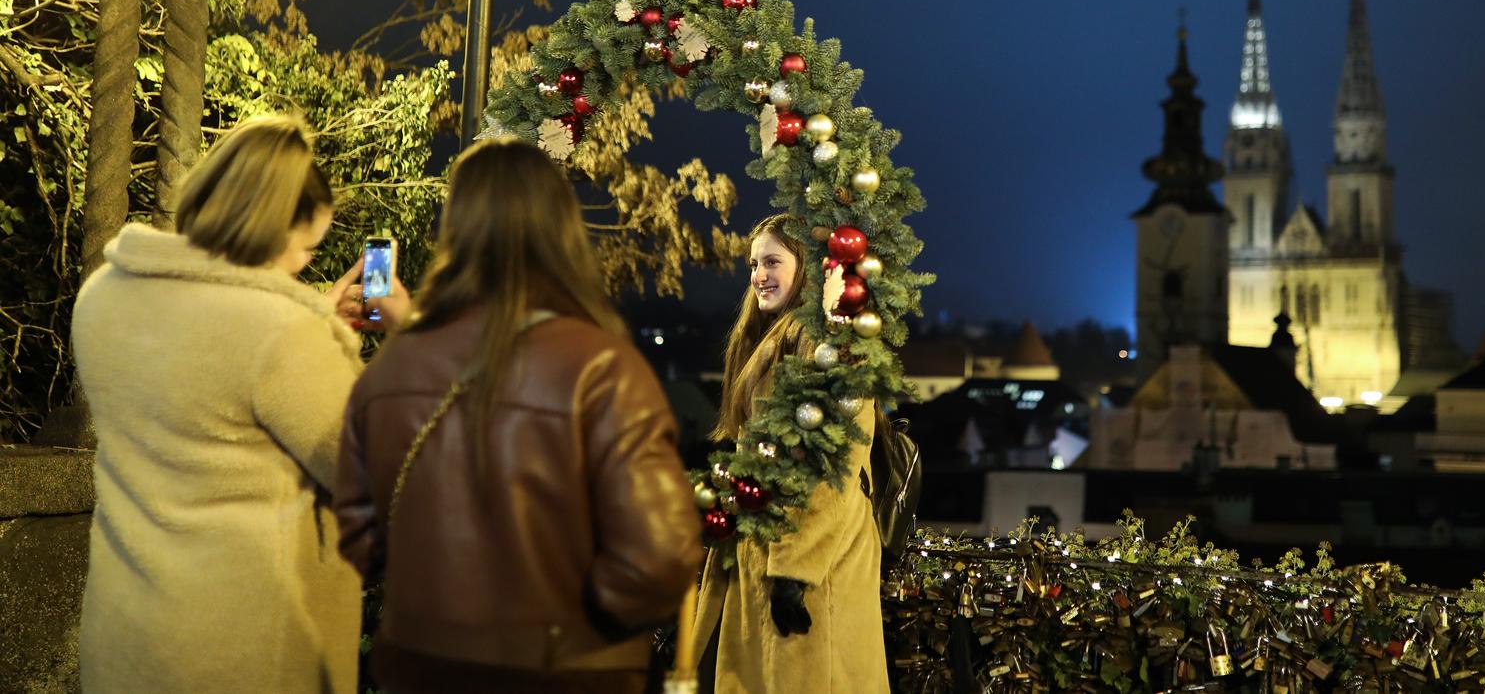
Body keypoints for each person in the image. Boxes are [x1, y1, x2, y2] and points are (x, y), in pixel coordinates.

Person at [335, 136, 701, 694]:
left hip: (422, 665)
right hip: (568, 674)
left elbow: (359, 533)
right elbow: (660, 555)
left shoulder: (392, 367)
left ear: (456, 229)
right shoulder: (602, 368)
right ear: (561, 231)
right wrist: (580, 627)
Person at [71, 114, 370, 693]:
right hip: (243, 649)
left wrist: (311, 315)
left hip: (127, 634)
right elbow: (368, 466)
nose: (304, 265)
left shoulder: (103, 296)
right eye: (307, 248)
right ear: (269, 229)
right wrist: (332, 334)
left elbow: (207, 370)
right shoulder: (282, 333)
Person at [688, 215, 889, 693]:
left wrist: (794, 571)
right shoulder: (774, 338)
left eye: (773, 262)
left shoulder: (828, 345)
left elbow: (833, 465)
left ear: (806, 268)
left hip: (814, 567)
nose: (759, 275)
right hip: (770, 556)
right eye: (754, 264)